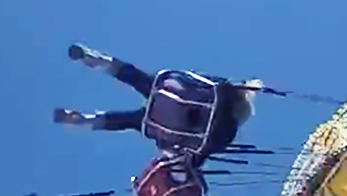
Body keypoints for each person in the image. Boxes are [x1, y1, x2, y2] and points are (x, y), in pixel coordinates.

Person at [55, 45, 259, 159]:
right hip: (166, 122)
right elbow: (196, 152)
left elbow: (201, 80)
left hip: (171, 95)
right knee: (127, 120)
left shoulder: (224, 93)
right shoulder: (224, 130)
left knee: (132, 76)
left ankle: (92, 60)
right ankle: (82, 120)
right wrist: (168, 152)